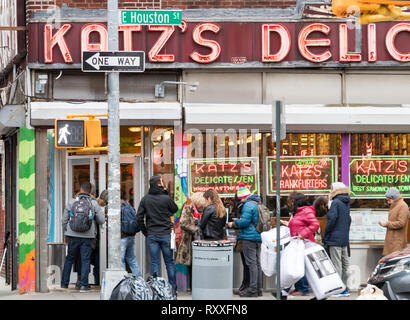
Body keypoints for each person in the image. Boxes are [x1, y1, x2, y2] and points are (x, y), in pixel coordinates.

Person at [137, 175, 179, 292]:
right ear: (159, 185)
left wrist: (146, 232)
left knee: (154, 263)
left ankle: (157, 289)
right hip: (165, 234)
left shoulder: (145, 199)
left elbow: (139, 218)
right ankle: (172, 289)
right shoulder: (166, 198)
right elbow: (174, 209)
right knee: (169, 262)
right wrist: (166, 193)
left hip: (152, 235)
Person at [61, 181, 105, 292]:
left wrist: (66, 233)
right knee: (85, 259)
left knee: (69, 258)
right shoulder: (93, 203)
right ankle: (84, 285)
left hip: (72, 235)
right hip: (88, 236)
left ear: (80, 189)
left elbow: (64, 220)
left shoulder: (71, 202)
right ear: (90, 192)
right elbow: (101, 220)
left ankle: (64, 283)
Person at [281, 193, 320, 298]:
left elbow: (315, 224)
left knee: (299, 265)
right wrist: (288, 224)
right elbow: (299, 224)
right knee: (297, 265)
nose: (291, 204)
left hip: (304, 243)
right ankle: (296, 289)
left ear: (297, 201)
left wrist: (303, 234)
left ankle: (303, 289)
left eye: (292, 201)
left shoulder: (306, 211)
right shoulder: (299, 212)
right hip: (297, 243)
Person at [227, 183, 262, 298]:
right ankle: (257, 289)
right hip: (256, 236)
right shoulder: (256, 203)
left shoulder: (248, 205)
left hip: (248, 237)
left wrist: (235, 222)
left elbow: (245, 222)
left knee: (251, 264)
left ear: (242, 197)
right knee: (256, 264)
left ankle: (252, 290)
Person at [323, 182, 351, 297]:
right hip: (344, 238)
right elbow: (349, 220)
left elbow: (331, 219)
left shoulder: (335, 202)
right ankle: (345, 288)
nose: (329, 191)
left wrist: (326, 234)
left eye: (331, 189)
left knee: (336, 264)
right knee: (346, 265)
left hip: (334, 238)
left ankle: (338, 289)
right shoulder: (346, 202)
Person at [176, 192, 206, 266]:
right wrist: (196, 229)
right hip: (189, 240)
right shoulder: (187, 209)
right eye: (201, 203)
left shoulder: (204, 211)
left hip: (200, 240)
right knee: (191, 265)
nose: (202, 206)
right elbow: (183, 223)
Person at [379, 187, 409, 256]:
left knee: (394, 262)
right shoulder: (395, 205)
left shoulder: (403, 206)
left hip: (397, 242)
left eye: (389, 200)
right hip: (392, 241)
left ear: (394, 198)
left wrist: (387, 224)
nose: (388, 202)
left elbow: (401, 223)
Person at [120, 191, 143, 277]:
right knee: (131, 259)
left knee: (120, 260)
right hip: (131, 236)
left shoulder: (118, 207)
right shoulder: (129, 206)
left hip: (122, 237)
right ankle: (139, 279)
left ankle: (123, 281)